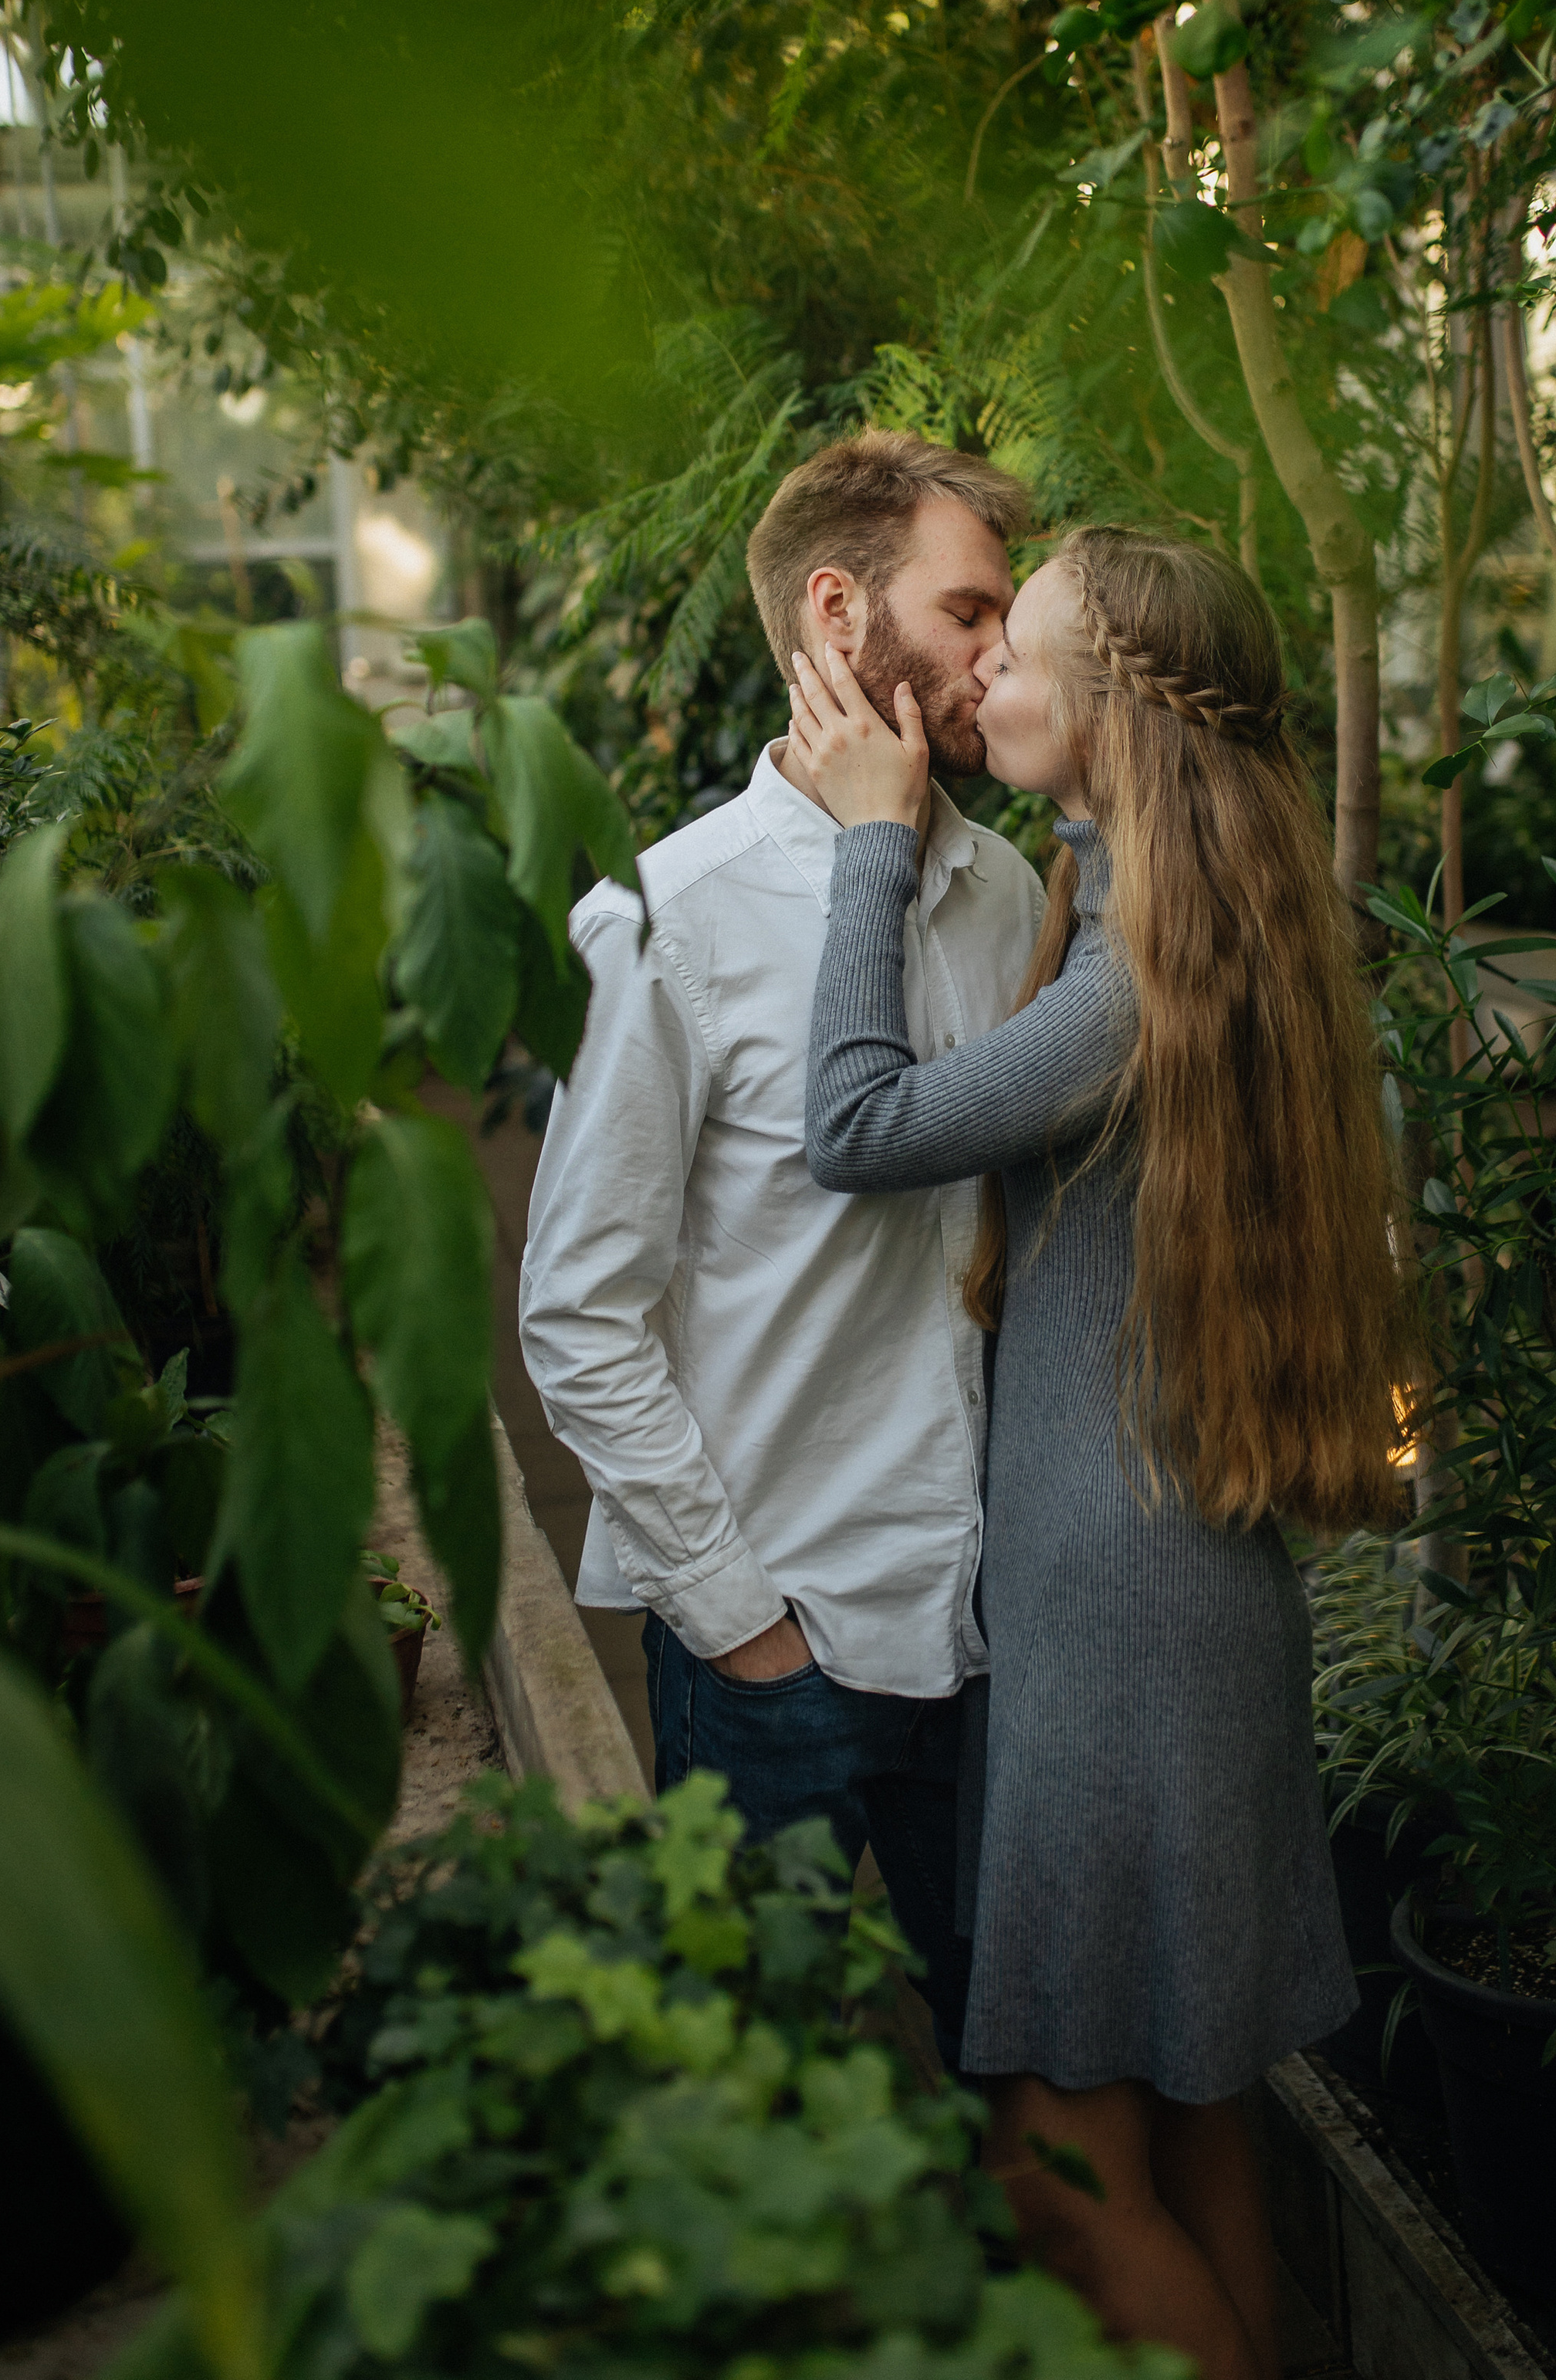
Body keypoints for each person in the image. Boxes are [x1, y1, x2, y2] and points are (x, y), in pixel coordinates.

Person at [788, 524, 1409, 2380]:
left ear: (1125, 710)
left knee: (1054, 2174)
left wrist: (866, 848)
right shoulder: (1195, 910)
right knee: (1194, 2107)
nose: (980, 677)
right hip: (1178, 1596)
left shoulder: (1133, 972)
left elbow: (855, 1120)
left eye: (1020, 652)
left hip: (1119, 1625)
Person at [518, 429, 1044, 2068]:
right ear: (838, 615)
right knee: (752, 2114)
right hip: (776, 1654)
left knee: (1023, 2104)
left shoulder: (1010, 893)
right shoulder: (664, 919)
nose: (999, 654)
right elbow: (576, 1316)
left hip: (991, 1636)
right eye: (968, 611)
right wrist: (739, 1618)